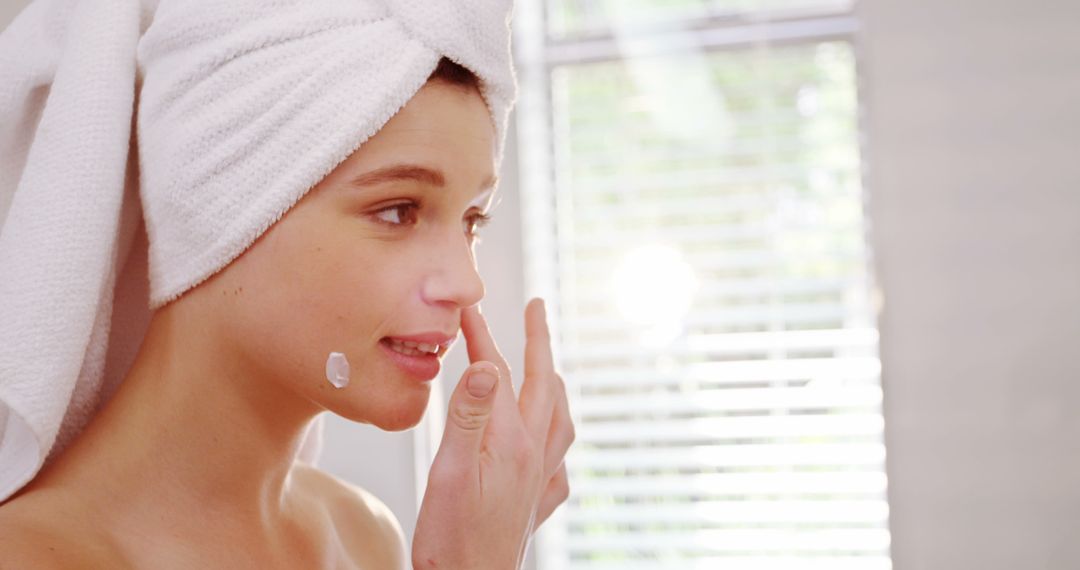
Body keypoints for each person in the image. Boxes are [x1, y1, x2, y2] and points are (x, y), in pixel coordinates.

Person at [0, 1, 574, 568]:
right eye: (399, 210)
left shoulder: (364, 536)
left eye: (472, 219)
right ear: (220, 205)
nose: (467, 283)